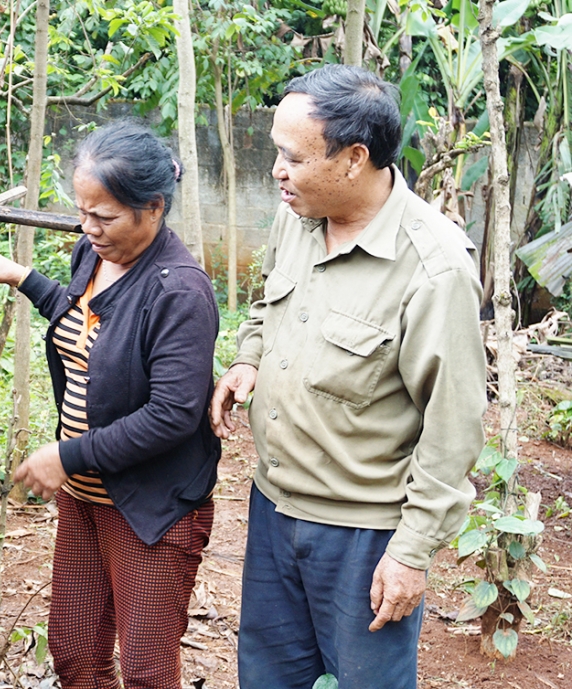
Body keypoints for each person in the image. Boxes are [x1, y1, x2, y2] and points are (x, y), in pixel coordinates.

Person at [210, 64, 487, 689]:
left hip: (363, 534)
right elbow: (266, 306)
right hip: (273, 506)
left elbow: (453, 426)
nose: (277, 171)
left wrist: (410, 554)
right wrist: (249, 357)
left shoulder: (433, 269)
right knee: (267, 676)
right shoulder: (299, 215)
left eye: (292, 157)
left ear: (355, 158)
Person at [0, 121, 221, 689]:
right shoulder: (93, 252)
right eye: (83, 212)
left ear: (153, 208)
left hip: (151, 510)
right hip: (86, 501)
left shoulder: (178, 291)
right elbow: (88, 323)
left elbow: (174, 414)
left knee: (148, 670)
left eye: (104, 217)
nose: (89, 228)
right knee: (76, 652)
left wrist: (68, 455)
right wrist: (24, 278)